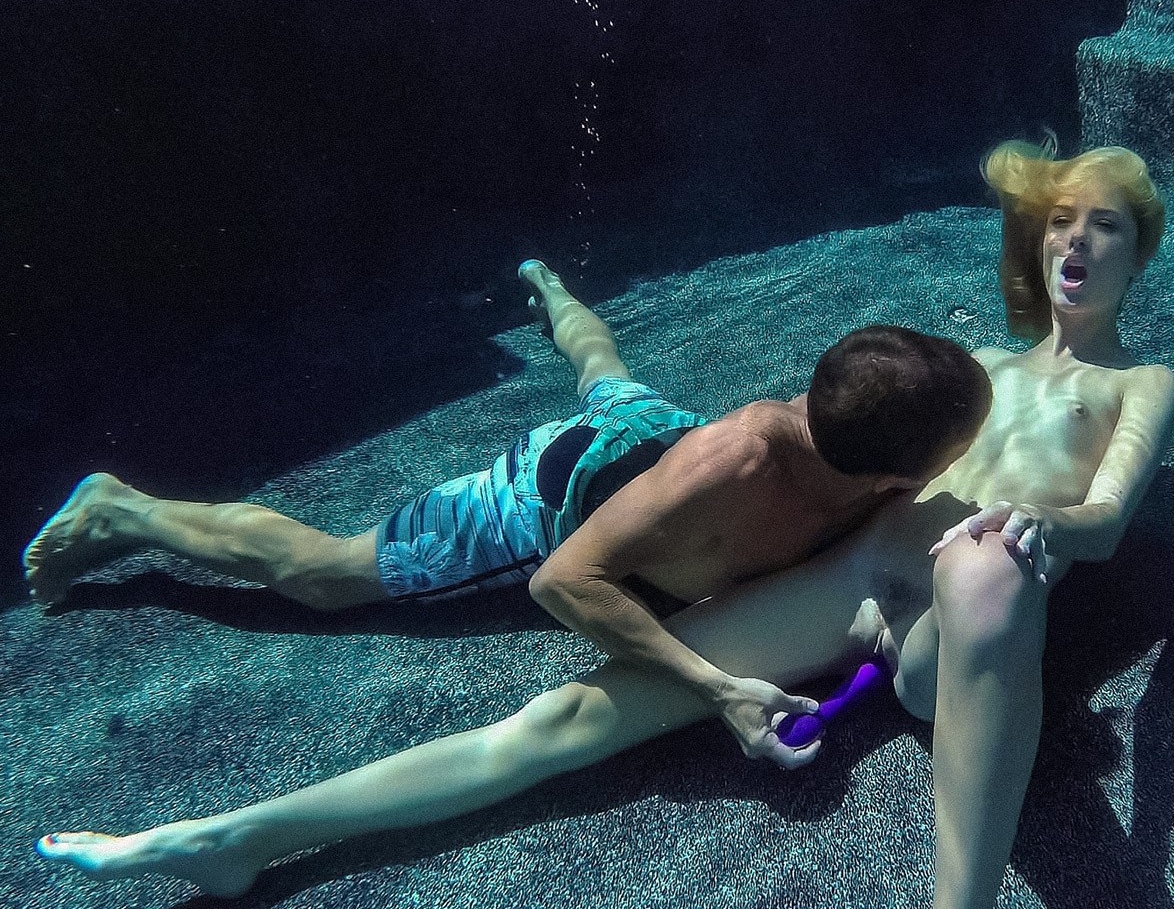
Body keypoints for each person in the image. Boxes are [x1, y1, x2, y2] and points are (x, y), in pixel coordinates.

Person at [36, 141, 1174, 909]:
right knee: (554, 717)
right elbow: (826, 465)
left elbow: (1107, 515)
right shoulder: (966, 360)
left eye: (1106, 226)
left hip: (964, 609)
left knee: (981, 564)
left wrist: (1045, 525)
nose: (1076, 241)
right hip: (813, 571)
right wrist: (721, 656)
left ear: (1140, 251)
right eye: (1061, 219)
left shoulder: (1141, 383)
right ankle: (244, 834)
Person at [22, 262, 990, 765]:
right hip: (549, 493)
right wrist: (713, 685)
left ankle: (551, 290)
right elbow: (564, 580)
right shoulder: (734, 466)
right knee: (326, 574)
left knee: (604, 370)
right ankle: (126, 511)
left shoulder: (855, 440)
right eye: (952, 453)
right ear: (888, 478)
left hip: (651, 434)